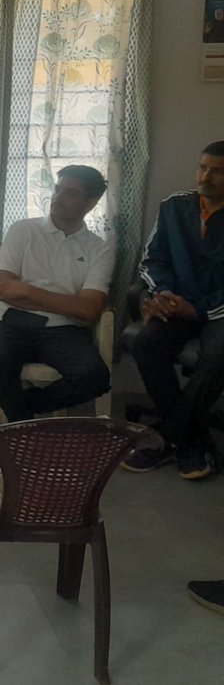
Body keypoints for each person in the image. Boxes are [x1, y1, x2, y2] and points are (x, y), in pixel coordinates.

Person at [0, 165, 114, 422]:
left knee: (95, 377)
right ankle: (26, 427)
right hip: (10, 320)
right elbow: (3, 290)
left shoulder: (100, 250)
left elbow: (88, 310)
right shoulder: (24, 230)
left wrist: (27, 290)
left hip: (64, 329)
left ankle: (24, 413)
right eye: (57, 189)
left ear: (91, 203)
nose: (57, 198)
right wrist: (68, 302)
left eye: (70, 193)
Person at [122, 142, 224, 479]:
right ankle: (193, 440)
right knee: (146, 342)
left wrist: (198, 310)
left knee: (218, 357)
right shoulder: (174, 207)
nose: (205, 177)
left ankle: (167, 438)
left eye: (217, 171)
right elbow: (154, 259)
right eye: (203, 167)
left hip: (217, 312)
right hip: (175, 302)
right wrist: (162, 292)